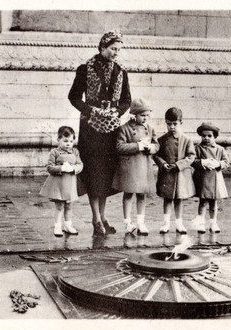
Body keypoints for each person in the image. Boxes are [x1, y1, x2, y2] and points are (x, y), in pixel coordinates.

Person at [68, 30, 131, 236]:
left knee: (106, 173)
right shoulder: (85, 69)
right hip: (91, 130)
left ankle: (103, 217)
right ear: (102, 48)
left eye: (119, 50)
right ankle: (96, 219)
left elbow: (126, 100)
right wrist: (91, 110)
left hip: (111, 129)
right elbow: (74, 97)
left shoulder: (121, 72)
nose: (116, 53)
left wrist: (117, 111)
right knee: (93, 172)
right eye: (113, 49)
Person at [112, 98, 159, 235]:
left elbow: (156, 144)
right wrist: (138, 146)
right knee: (128, 194)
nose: (145, 118)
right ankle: (127, 222)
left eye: (147, 115)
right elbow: (119, 147)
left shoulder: (150, 129)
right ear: (134, 115)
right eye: (142, 115)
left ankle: (140, 222)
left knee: (142, 195)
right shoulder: (125, 128)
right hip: (130, 168)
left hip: (144, 166)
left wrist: (151, 147)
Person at [153, 107, 196, 234]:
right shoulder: (161, 140)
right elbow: (156, 155)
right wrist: (163, 163)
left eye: (175, 124)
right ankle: (166, 223)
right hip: (167, 174)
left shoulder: (187, 140)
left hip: (181, 175)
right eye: (169, 123)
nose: (172, 127)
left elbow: (191, 156)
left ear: (181, 123)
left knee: (179, 199)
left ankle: (179, 223)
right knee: (167, 198)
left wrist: (179, 165)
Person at [39, 126, 83, 237]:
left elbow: (80, 164)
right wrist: (61, 168)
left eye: (71, 141)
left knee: (69, 206)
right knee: (59, 207)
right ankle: (57, 227)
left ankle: (68, 225)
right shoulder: (55, 152)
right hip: (59, 184)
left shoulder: (75, 152)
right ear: (58, 140)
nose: (68, 144)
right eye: (65, 141)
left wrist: (74, 169)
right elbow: (49, 167)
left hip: (70, 183)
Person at [190, 122, 230, 233]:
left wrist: (219, 164)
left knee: (214, 203)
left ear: (215, 137)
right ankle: (201, 223)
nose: (206, 138)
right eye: (204, 136)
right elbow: (192, 161)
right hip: (202, 179)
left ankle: (213, 223)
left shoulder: (219, 149)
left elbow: (227, 162)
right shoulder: (197, 148)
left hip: (215, 179)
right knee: (202, 202)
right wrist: (202, 162)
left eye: (209, 136)